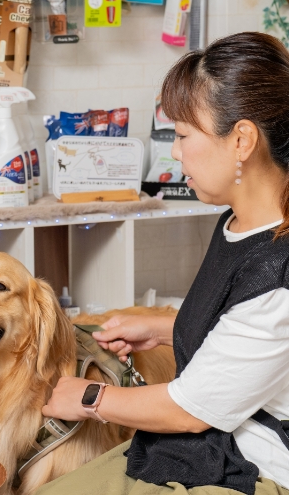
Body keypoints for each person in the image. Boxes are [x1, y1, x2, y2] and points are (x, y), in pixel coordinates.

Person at [37, 32, 289, 495]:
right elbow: (246, 331)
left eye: (183, 135)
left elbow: (189, 411)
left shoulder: (280, 271)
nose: (174, 151)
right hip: (221, 437)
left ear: (242, 140)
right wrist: (167, 327)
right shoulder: (241, 222)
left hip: (259, 465)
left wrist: (91, 397)